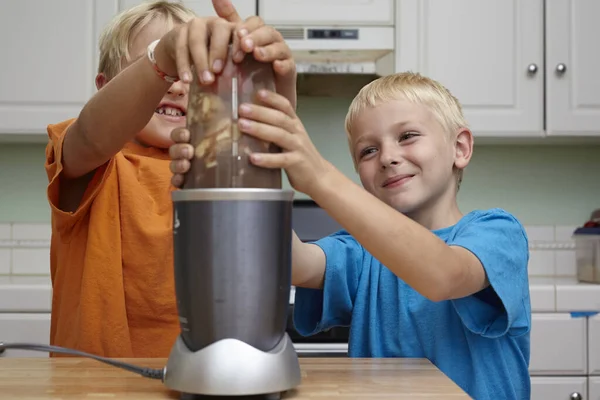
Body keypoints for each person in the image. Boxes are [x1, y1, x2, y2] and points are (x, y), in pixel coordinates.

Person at [171, 71, 532, 399]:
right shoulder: (360, 251)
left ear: (460, 148)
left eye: (407, 136)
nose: (388, 157)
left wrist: (320, 178)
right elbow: (290, 261)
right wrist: (226, 172)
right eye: (368, 150)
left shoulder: (497, 233)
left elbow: (443, 276)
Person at [43, 0, 296, 358]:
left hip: (197, 379)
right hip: (95, 387)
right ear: (104, 87)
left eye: (191, 69)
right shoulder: (93, 160)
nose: (177, 85)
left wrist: (270, 87)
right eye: (163, 68)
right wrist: (159, 58)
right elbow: (92, 135)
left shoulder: (212, 171)